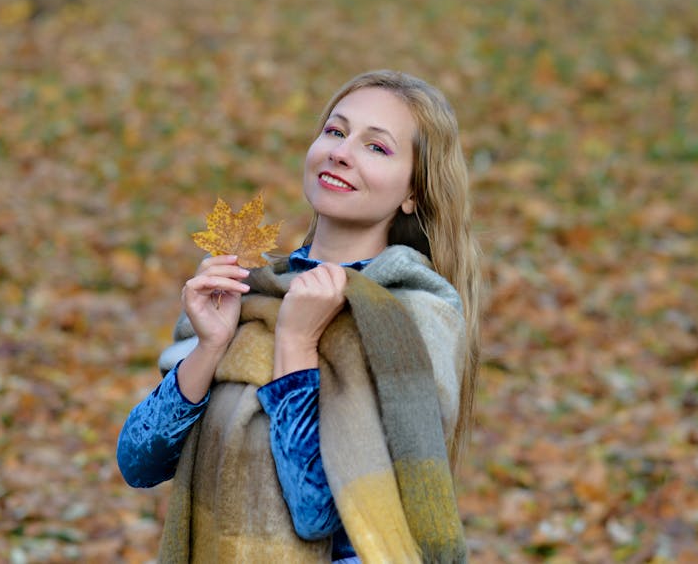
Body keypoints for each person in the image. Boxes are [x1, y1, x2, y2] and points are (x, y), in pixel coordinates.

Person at [117, 70, 484, 563]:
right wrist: (209, 348)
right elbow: (139, 463)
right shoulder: (253, 293)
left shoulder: (412, 316)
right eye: (336, 131)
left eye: (377, 148)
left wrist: (295, 347)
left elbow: (318, 511)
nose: (341, 152)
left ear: (412, 193)